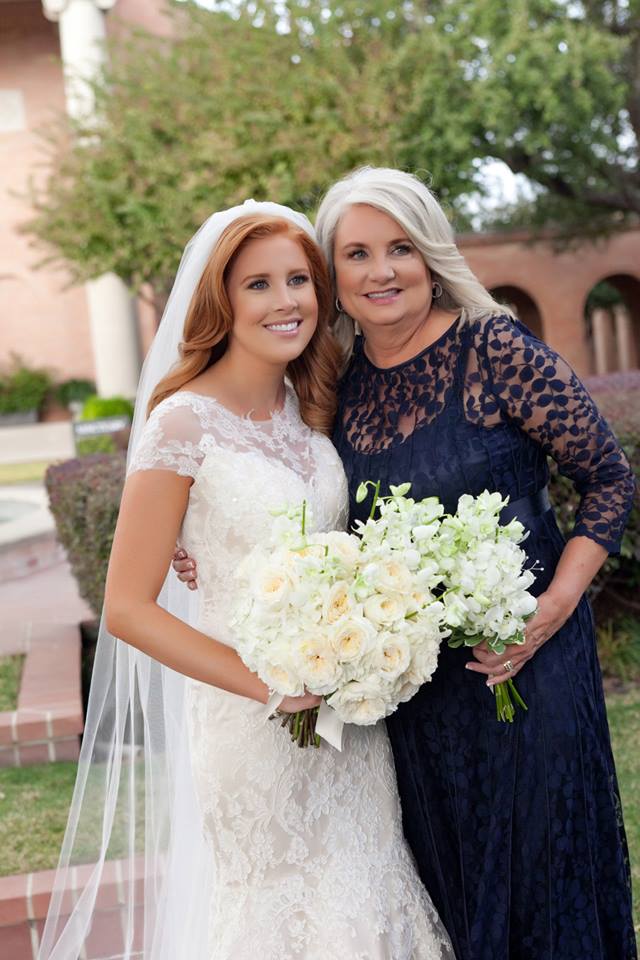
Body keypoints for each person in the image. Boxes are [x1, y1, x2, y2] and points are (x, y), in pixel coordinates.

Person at [175, 170, 638, 960]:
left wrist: (550, 611)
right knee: (446, 898)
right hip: (411, 700)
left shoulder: (493, 348)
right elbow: (304, 502)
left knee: (542, 881)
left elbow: (609, 479)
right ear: (334, 277)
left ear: (431, 257)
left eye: (401, 248)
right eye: (356, 254)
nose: (381, 270)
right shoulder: (332, 387)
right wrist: (210, 545)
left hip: (523, 673)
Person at [38, 201, 453, 960]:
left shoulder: (312, 407)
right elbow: (128, 608)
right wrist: (272, 685)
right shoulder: (181, 424)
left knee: (366, 889)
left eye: (299, 279)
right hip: (251, 721)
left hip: (350, 715)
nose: (286, 300)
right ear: (220, 300)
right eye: (258, 284)